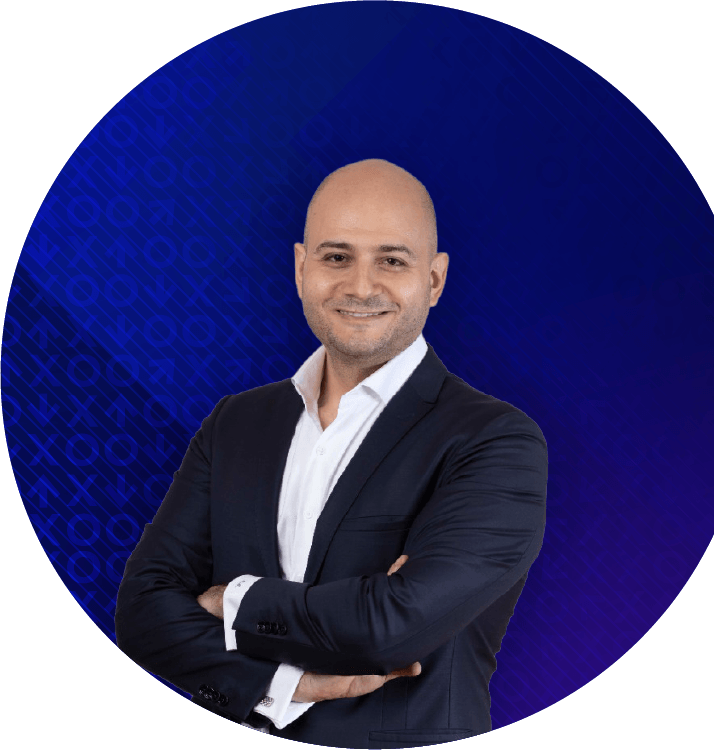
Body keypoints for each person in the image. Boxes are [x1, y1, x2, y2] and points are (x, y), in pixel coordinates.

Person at [116, 159, 547, 748]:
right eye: (337, 257)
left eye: (392, 261)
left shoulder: (495, 440)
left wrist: (232, 600)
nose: (361, 287)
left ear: (434, 280)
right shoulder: (236, 423)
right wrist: (282, 683)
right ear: (302, 269)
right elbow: (142, 612)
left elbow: (389, 628)